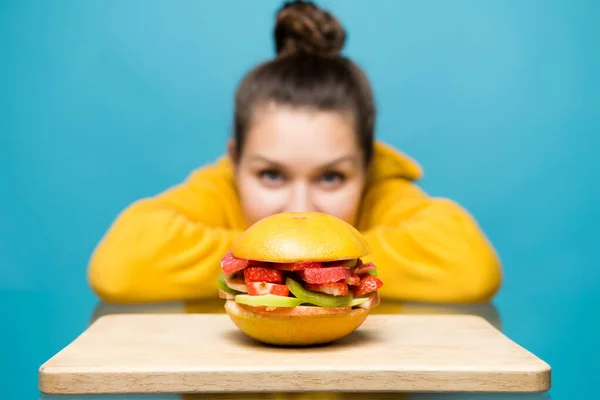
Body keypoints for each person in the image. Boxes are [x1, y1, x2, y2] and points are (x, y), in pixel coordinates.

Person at [87, 0, 502, 304]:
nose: (298, 208)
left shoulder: (382, 194)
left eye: (331, 177)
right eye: (271, 175)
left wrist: (316, 268)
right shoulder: (218, 190)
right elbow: (120, 265)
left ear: (367, 167)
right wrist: (287, 265)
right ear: (235, 162)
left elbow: (470, 266)